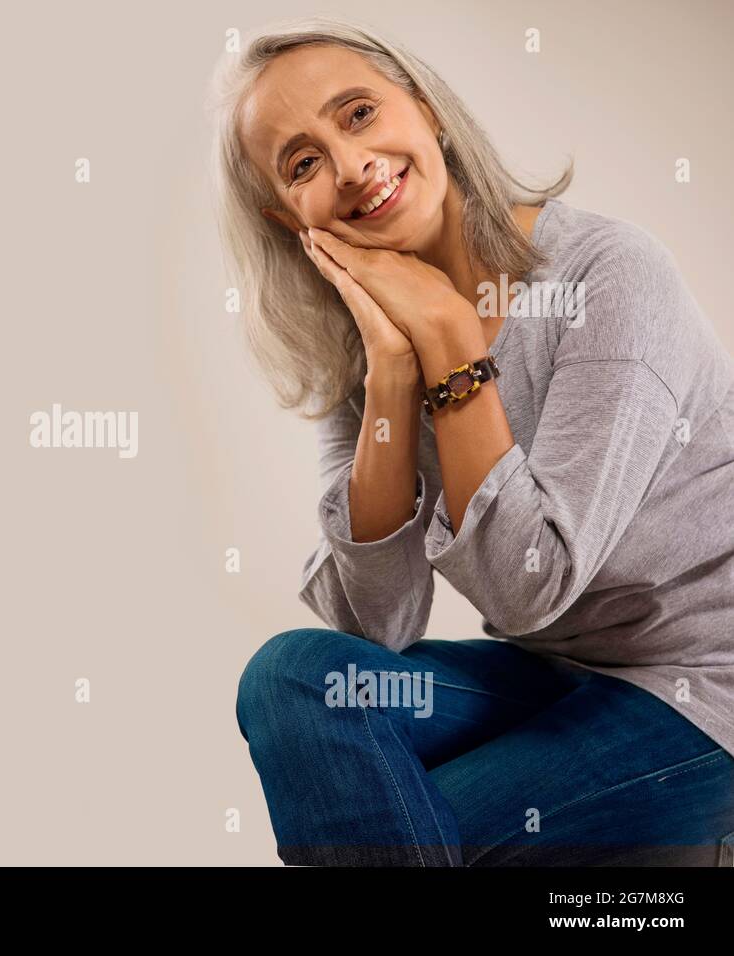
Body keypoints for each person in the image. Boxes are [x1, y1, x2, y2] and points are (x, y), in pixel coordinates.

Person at [209, 16, 734, 866]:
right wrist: (388, 373)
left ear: (426, 110)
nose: (350, 168)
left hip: (707, 687)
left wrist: (453, 341)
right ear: (288, 216)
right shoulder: (370, 343)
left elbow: (535, 585)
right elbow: (373, 626)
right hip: (552, 675)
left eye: (358, 114)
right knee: (293, 675)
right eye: (303, 163)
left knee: (415, 830)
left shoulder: (606, 277)